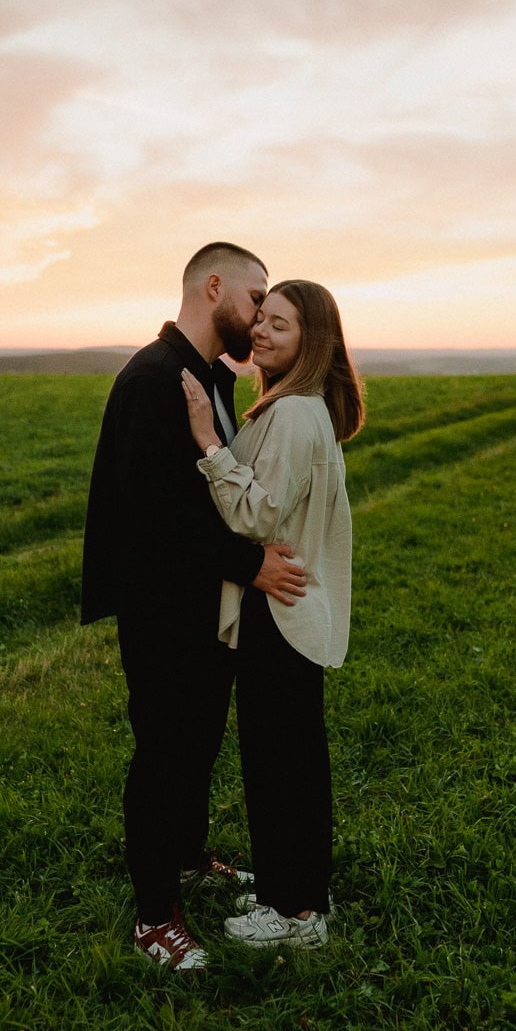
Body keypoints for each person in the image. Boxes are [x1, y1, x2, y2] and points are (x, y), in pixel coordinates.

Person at [81, 243, 308, 971]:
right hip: (160, 609)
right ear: (214, 288)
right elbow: (157, 517)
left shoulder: (206, 376)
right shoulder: (151, 379)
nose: (260, 315)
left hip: (204, 603)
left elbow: (213, 491)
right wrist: (253, 566)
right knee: (164, 754)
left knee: (198, 742)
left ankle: (184, 857)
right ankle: (154, 919)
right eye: (254, 297)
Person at [181, 279, 364, 949]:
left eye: (279, 326)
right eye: (261, 320)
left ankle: (293, 916)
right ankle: (297, 888)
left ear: (310, 342)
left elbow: (256, 514)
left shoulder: (290, 416)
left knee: (278, 762)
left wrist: (207, 440)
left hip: (279, 611)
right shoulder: (299, 406)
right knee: (295, 759)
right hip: (291, 607)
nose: (260, 332)